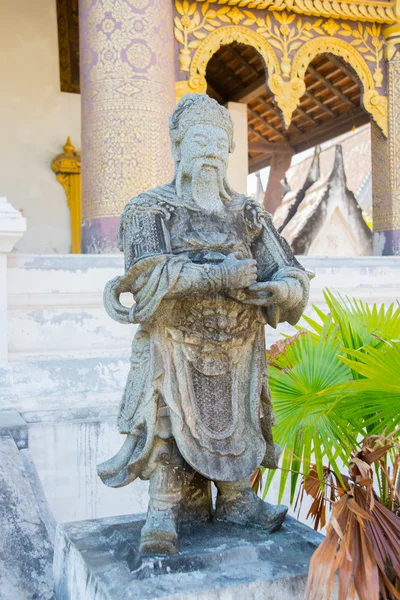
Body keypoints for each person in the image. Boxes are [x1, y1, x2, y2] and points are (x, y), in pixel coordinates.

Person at [98, 94, 311, 554]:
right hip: (175, 342)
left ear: (231, 149)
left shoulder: (249, 214)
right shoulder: (149, 210)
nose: (211, 150)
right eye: (199, 140)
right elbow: (148, 274)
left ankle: (237, 499)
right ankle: (163, 509)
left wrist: (282, 290)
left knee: (239, 421)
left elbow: (290, 271)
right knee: (170, 420)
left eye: (220, 141)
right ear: (178, 147)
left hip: (239, 345)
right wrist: (220, 276)